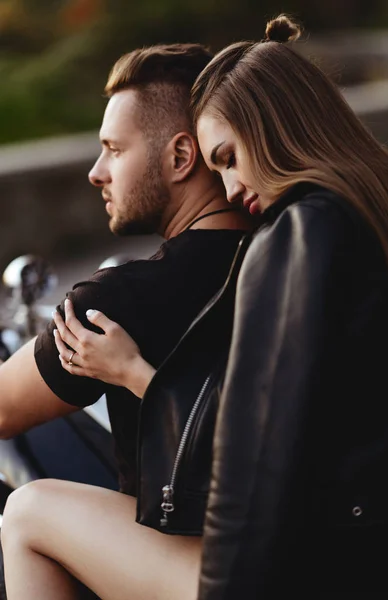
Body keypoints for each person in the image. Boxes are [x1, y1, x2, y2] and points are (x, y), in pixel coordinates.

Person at [46, 13, 388, 598]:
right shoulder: (377, 213)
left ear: (275, 130)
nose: (230, 189)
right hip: (371, 551)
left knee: (32, 509)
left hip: (323, 562)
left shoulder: (301, 233)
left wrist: (136, 375)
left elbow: (261, 454)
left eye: (228, 158)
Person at [0, 43, 253, 599]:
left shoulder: (124, 301)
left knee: (26, 511)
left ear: (181, 156)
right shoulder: (283, 254)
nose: (96, 173)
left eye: (114, 149)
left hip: (227, 566)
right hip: (313, 541)